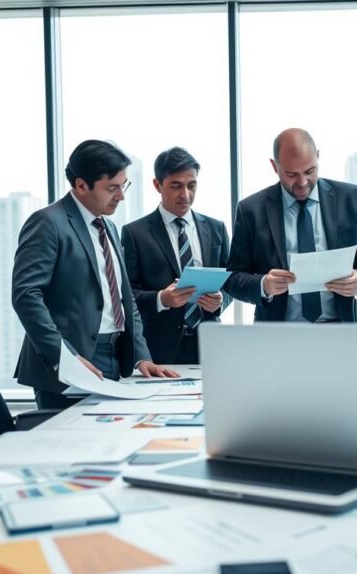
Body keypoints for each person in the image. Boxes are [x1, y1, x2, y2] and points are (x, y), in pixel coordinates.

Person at [12, 139, 178, 410]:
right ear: (80, 185)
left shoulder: (108, 227)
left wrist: (141, 356)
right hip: (70, 363)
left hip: (114, 357)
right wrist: (66, 357)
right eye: (112, 188)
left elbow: (125, 300)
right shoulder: (47, 222)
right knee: (73, 448)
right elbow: (25, 296)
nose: (121, 196)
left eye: (123, 186)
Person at [224, 128, 357, 322]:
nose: (302, 182)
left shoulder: (350, 198)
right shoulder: (251, 210)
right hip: (278, 336)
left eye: (310, 171)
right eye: (291, 174)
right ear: (274, 166)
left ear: (318, 156)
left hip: (338, 332)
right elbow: (232, 278)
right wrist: (263, 284)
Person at [121, 147, 230, 364]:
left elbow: (231, 281)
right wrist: (162, 299)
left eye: (192, 185)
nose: (185, 195)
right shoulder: (135, 233)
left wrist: (220, 301)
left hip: (210, 347)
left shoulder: (216, 228)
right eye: (176, 186)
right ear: (157, 185)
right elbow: (126, 295)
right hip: (159, 351)